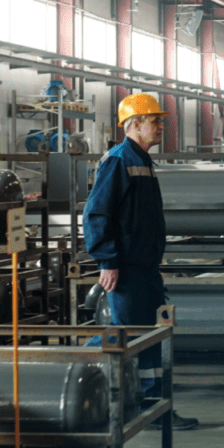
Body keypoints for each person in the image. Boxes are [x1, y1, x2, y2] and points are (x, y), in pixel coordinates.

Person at [84, 93, 198, 430]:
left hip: (145, 268)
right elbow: (96, 213)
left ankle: (151, 405)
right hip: (128, 268)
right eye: (155, 121)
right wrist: (107, 260)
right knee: (128, 334)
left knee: (147, 335)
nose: (161, 127)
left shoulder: (142, 160)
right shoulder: (119, 160)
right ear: (135, 124)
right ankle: (74, 368)